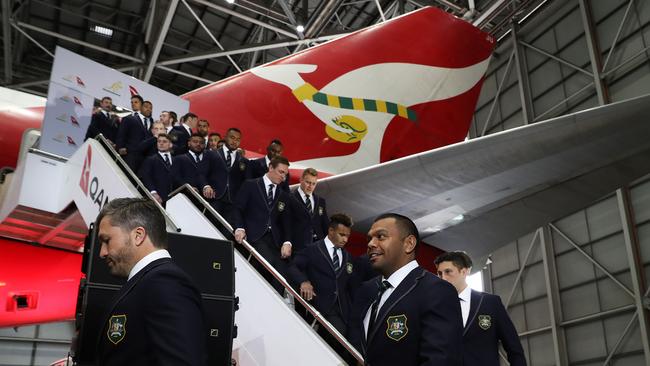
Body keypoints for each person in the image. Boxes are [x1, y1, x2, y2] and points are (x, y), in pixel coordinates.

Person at [95, 198, 206, 366]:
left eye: (107, 240)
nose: (102, 252)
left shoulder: (166, 283)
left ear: (138, 235)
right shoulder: (148, 282)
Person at [347, 213, 463, 366]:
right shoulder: (366, 291)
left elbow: (440, 361)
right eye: (369, 238)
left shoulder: (437, 291)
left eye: (381, 236)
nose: (370, 244)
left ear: (409, 243)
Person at [435, 251, 527, 366]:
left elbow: (514, 348)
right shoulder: (434, 308)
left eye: (448, 272)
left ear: (464, 271)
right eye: (439, 273)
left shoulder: (490, 303)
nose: (443, 278)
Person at [233, 156, 292, 294]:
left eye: (286, 174)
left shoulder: (282, 194)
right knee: (269, 263)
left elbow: (286, 222)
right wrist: (239, 228)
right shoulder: (251, 185)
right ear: (270, 167)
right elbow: (238, 208)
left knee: (283, 271)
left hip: (274, 240)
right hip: (254, 235)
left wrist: (287, 242)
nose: (283, 177)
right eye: (281, 172)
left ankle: (275, 304)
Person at [287, 213, 354, 333]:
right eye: (342, 235)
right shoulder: (312, 249)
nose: (346, 239)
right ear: (331, 231)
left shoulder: (348, 256)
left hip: (342, 313)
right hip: (318, 307)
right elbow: (293, 267)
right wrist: (304, 281)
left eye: (348, 236)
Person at [204, 127, 249, 224]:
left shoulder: (244, 161)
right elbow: (201, 174)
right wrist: (206, 186)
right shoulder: (211, 154)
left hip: (233, 202)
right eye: (232, 137)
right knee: (210, 227)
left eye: (238, 139)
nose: (235, 141)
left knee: (227, 232)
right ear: (225, 137)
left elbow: (246, 182)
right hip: (214, 197)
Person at [285, 168, 329, 252]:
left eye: (313, 184)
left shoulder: (320, 201)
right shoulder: (290, 198)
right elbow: (286, 224)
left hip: (318, 248)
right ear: (301, 180)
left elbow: (325, 224)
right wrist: (287, 242)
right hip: (299, 247)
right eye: (308, 182)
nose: (310, 186)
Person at [116, 95, 153, 172]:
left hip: (145, 159)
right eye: (132, 102)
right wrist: (120, 148)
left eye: (136, 102)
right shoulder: (128, 118)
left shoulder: (153, 123)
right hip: (130, 155)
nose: (133, 104)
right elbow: (121, 135)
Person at [138, 133, 177, 205]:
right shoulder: (150, 159)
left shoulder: (176, 159)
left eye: (164, 141)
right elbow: (146, 177)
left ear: (170, 144)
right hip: (158, 198)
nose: (161, 143)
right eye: (159, 141)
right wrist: (153, 192)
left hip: (174, 198)